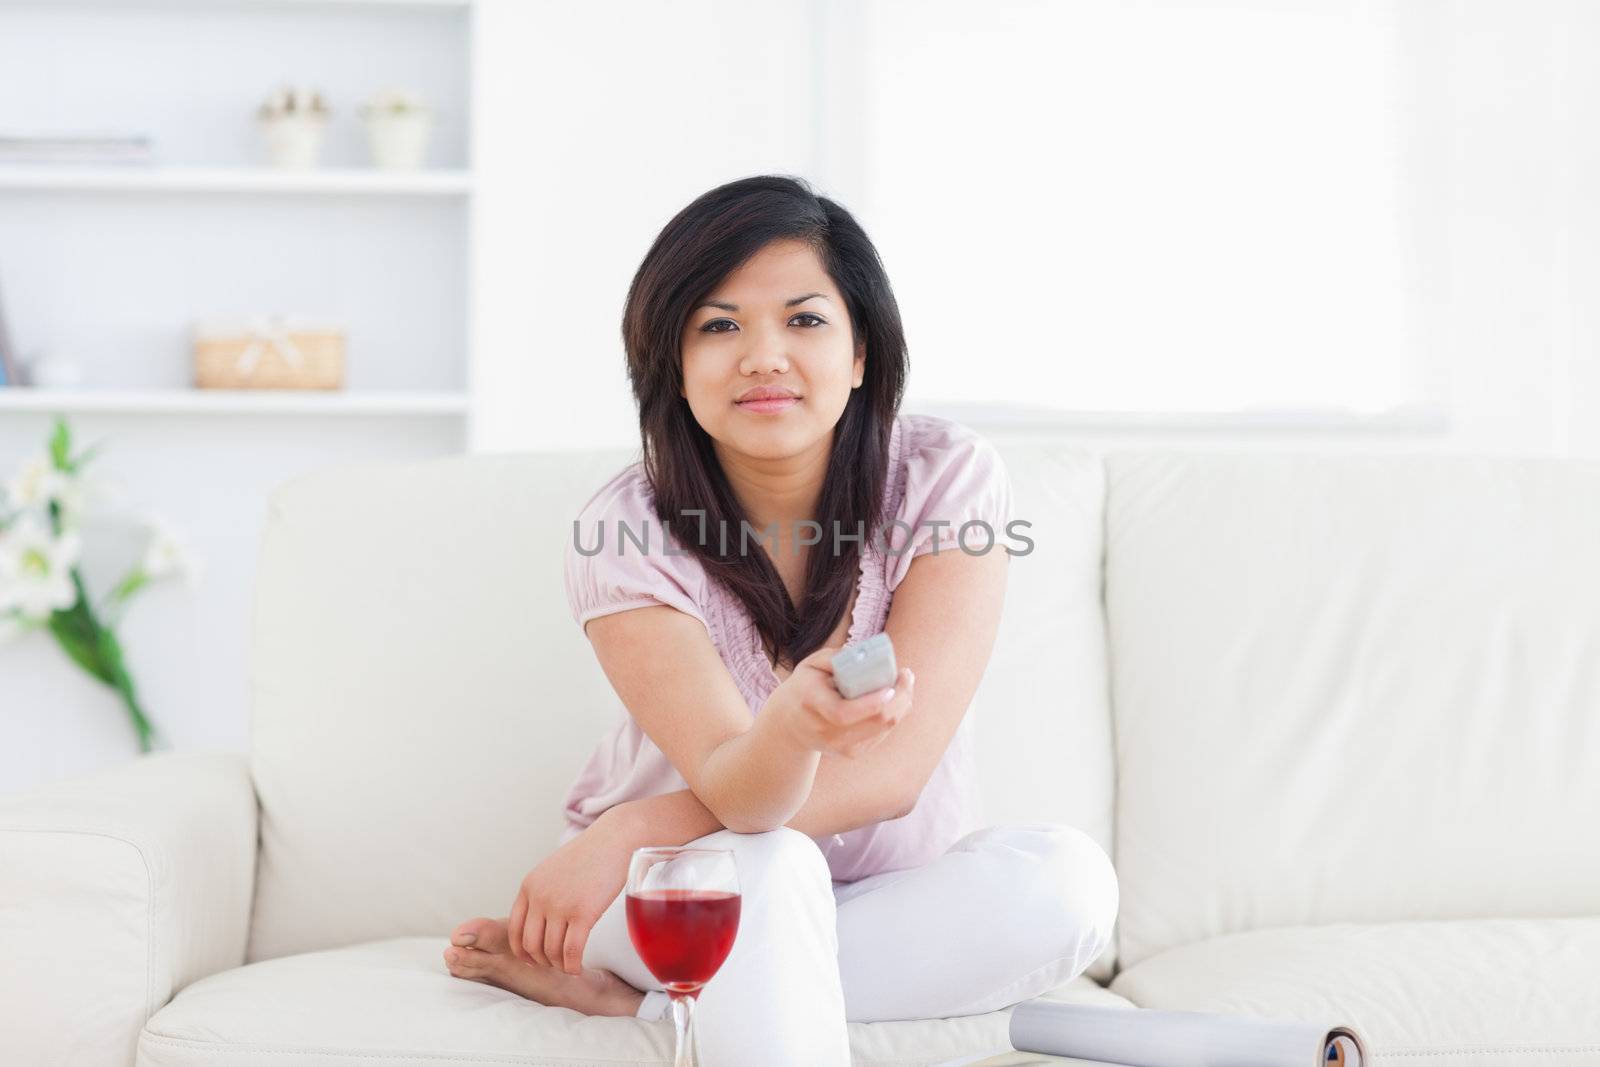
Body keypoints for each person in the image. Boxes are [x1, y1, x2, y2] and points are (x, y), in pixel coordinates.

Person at [442, 174, 1119, 1065]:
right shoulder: (625, 531)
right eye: (719, 326)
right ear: (672, 367)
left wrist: (633, 824)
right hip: (672, 894)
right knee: (771, 863)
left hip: (874, 893)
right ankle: (675, 981)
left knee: (1066, 883)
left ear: (863, 351)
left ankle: (649, 1009)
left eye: (804, 320)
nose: (765, 355)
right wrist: (777, 743)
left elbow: (896, 774)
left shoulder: (947, 479)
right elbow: (739, 792)